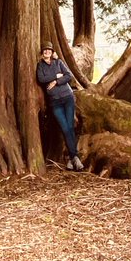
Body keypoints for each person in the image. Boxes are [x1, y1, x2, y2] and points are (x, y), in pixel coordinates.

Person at [36, 42, 84, 171]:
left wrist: (56, 81)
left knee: (70, 128)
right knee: (65, 128)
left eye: (49, 50)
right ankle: (74, 157)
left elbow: (68, 75)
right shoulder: (40, 66)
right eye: (45, 50)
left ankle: (72, 158)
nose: (47, 52)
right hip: (55, 102)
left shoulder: (59, 63)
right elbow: (41, 79)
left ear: (52, 53)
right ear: (42, 53)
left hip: (68, 98)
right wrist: (56, 75)